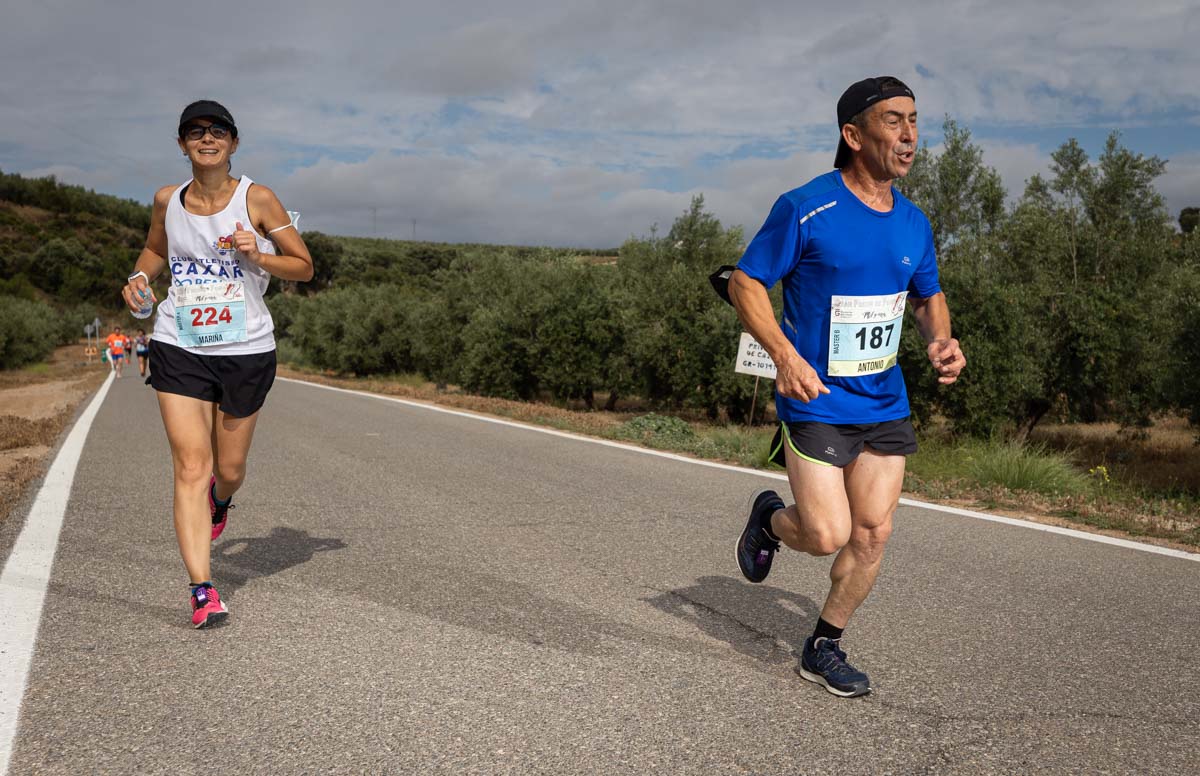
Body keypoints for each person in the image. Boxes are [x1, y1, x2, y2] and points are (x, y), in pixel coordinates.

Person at [729, 76, 965, 697]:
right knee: (827, 533)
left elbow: (928, 297)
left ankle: (823, 645)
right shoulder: (807, 206)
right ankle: (770, 520)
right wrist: (783, 355)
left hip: (884, 399)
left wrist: (939, 340)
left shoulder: (915, 223)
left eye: (914, 120)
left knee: (873, 533)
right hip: (816, 399)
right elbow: (745, 283)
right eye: (894, 121)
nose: (910, 135)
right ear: (853, 135)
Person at [121, 99, 313, 629]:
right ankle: (202, 590)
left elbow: (303, 266)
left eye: (218, 130)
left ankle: (221, 502)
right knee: (190, 465)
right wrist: (139, 281)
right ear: (182, 144)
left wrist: (259, 255)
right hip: (179, 342)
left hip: (245, 348)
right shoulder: (167, 200)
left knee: (226, 470)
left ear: (233, 142)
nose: (207, 138)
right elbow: (154, 251)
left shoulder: (259, 198)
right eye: (195, 131)